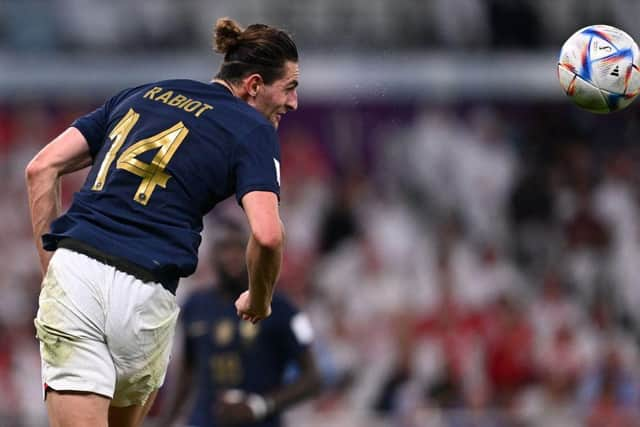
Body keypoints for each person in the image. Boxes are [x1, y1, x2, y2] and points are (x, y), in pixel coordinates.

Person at [24, 17, 299, 427]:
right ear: (254, 85)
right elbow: (268, 234)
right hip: (145, 293)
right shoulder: (252, 128)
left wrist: (53, 270)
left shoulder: (143, 93)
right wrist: (259, 298)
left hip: (77, 272)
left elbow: (41, 167)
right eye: (290, 87)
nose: (294, 102)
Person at [161, 226, 321, 427]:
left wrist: (259, 406)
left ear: (254, 253)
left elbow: (313, 379)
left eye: (239, 248)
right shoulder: (195, 305)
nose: (232, 257)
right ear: (212, 254)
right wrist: (165, 422)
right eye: (224, 248)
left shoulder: (282, 308)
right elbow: (187, 372)